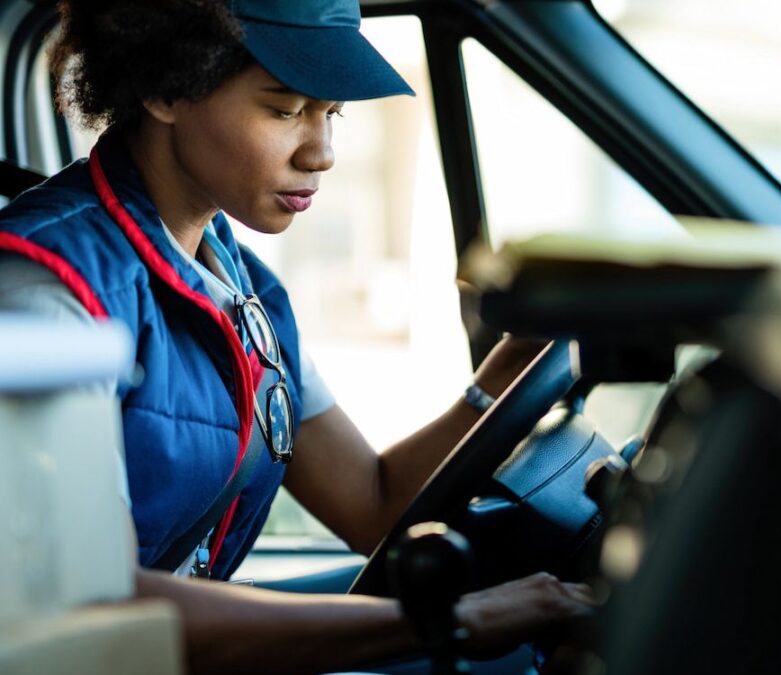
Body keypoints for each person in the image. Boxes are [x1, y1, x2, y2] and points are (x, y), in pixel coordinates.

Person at [0, 0, 592, 672]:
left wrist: (521, 357)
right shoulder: (46, 292)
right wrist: (449, 620)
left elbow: (371, 501)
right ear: (167, 86)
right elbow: (84, 605)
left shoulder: (242, 286)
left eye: (330, 113)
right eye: (284, 110)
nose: (323, 151)